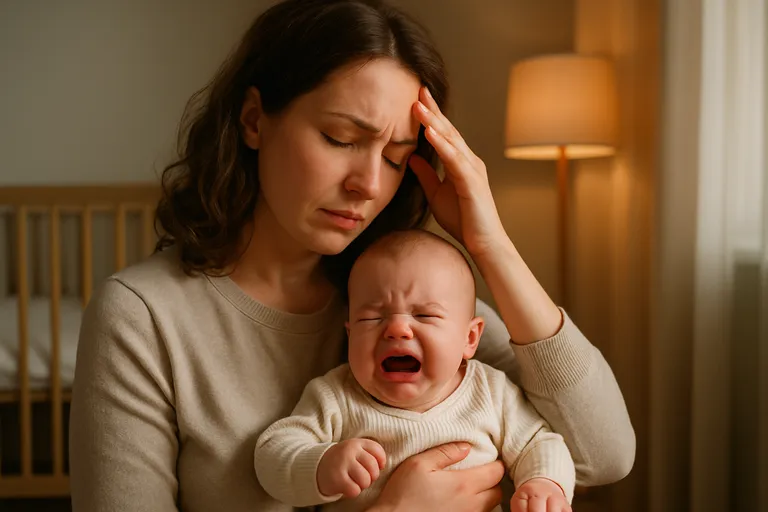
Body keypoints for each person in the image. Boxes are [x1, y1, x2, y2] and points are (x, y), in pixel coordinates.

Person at [69, 1, 635, 511]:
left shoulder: (398, 300)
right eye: (341, 139)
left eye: (395, 157)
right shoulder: (142, 317)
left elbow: (604, 455)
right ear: (253, 120)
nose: (369, 183)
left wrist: (492, 247)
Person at [254, 229, 576, 512]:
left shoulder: (490, 391)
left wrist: (545, 483)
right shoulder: (336, 397)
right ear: (350, 334)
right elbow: (273, 454)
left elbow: (538, 441)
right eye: (372, 318)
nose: (397, 329)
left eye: (424, 316)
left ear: (470, 338)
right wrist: (322, 465)